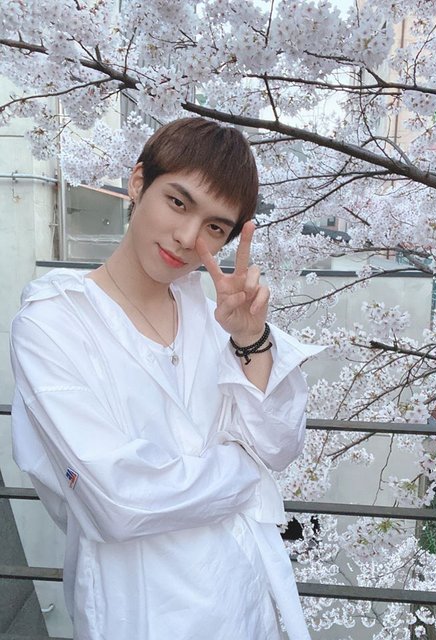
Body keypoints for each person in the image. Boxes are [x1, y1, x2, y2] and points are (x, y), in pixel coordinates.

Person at [10, 117, 323, 640]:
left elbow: (277, 446)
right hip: (139, 604)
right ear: (138, 183)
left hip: (242, 594)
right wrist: (245, 471)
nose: (187, 237)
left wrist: (251, 339)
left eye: (215, 228)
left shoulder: (216, 317)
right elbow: (118, 501)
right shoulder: (53, 323)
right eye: (178, 202)